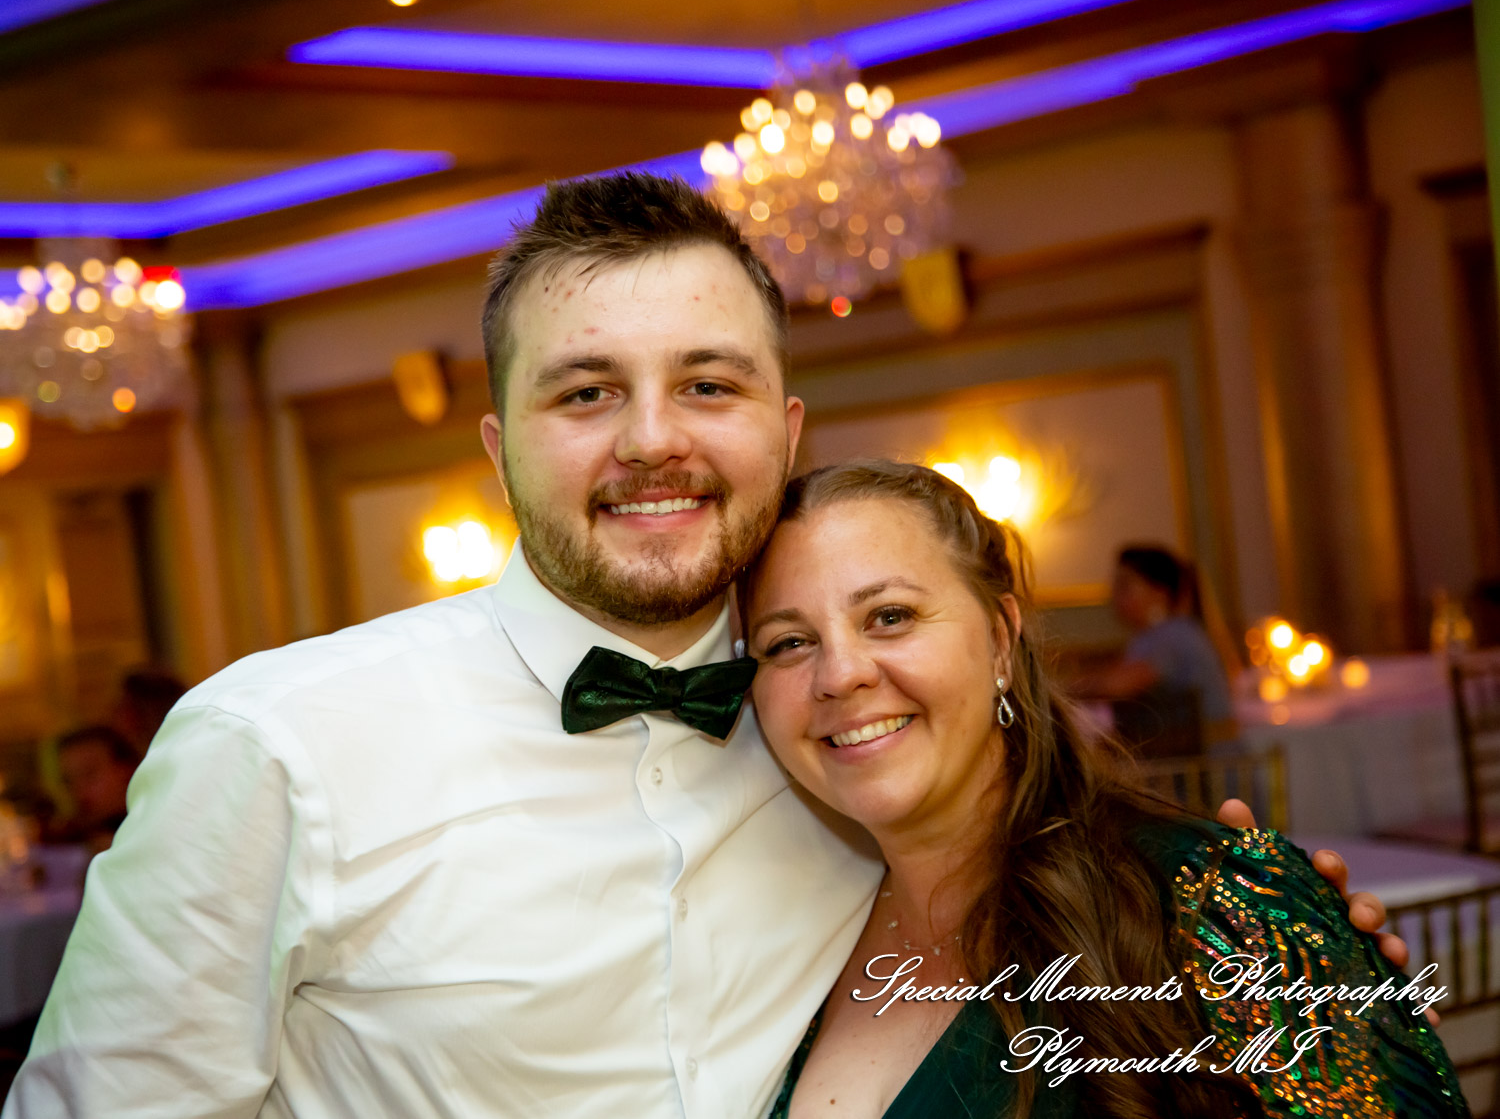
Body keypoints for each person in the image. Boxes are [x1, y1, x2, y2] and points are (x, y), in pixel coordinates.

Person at [6, 175, 1406, 1118]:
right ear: (501, 451)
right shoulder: (276, 744)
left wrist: (1263, 917)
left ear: (785, 432)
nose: (654, 438)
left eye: (709, 383)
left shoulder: (843, 750)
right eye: (586, 390)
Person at [743, 460, 1463, 1118]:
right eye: (787, 643)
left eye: (890, 617)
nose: (839, 674)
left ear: (999, 639)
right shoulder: (797, 938)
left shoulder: (1205, 898)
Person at [1075, 545, 1239, 754]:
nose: (1114, 595)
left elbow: (1117, 684)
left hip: (1211, 768)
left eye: (1124, 585)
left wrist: (1059, 689)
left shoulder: (1173, 635)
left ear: (1159, 592)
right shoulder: (1153, 636)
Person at [49, 725, 140, 853]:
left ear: (127, 771)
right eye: (68, 781)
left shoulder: (157, 832)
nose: (78, 789)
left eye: (89, 773)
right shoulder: (69, 844)